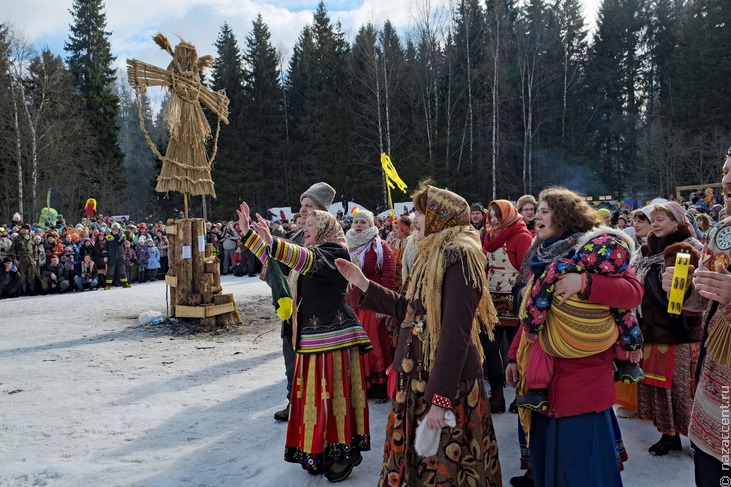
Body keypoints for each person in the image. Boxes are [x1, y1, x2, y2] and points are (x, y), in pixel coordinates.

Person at [335, 183, 503, 486]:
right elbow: (408, 308)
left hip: (446, 385)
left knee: (447, 466)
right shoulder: (431, 253)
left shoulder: (459, 257)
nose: (414, 218)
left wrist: (440, 398)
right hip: (416, 376)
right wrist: (363, 283)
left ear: (439, 216)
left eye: (421, 212)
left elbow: (456, 333)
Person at [505, 186, 644, 487]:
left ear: (564, 216)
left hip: (581, 386)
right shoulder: (538, 253)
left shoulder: (595, 250)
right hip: (541, 378)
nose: (536, 217)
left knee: (583, 470)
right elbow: (530, 310)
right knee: (549, 468)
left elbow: (633, 293)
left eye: (544, 211)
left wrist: (585, 282)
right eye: (536, 211)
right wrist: (513, 356)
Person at [238, 202, 372, 481]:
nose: (304, 228)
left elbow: (304, 259)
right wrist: (249, 234)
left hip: (334, 340)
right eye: (304, 224)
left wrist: (273, 240)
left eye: (310, 225)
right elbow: (282, 258)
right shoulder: (312, 251)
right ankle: (320, 450)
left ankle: (344, 453)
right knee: (314, 401)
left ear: (324, 228)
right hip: (312, 340)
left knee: (335, 399)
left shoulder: (336, 251)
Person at [633, 201, 704, 456]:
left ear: (677, 221)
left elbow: (687, 297)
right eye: (653, 219)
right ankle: (668, 435)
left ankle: (698, 439)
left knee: (683, 389)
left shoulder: (691, 249)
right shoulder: (644, 251)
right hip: (651, 329)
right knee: (658, 386)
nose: (655, 224)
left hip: (680, 333)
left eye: (661, 219)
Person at [270, 182, 337, 422]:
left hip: (317, 316)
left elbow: (305, 260)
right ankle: (294, 403)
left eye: (309, 206)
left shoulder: (331, 241)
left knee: (316, 372)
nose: (303, 211)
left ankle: (315, 413)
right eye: (302, 206)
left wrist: (271, 244)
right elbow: (282, 263)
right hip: (293, 310)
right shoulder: (299, 234)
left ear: (322, 210)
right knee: (291, 362)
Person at [482, 200, 533, 413]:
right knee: (490, 349)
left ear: (508, 215)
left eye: (498, 215)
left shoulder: (521, 237)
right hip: (491, 302)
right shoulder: (489, 238)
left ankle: (520, 394)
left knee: (518, 351)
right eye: (491, 215)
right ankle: (498, 394)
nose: (493, 219)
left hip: (515, 303)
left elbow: (528, 271)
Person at [345, 209, 396, 401]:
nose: (358, 225)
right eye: (356, 222)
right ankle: (363, 384)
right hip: (352, 304)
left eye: (363, 222)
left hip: (372, 304)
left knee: (374, 345)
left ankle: (380, 384)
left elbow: (389, 279)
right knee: (357, 346)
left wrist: (385, 305)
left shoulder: (381, 247)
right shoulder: (347, 245)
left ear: (371, 225)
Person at [9, 224, 36, 295]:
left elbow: (35, 250)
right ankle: (22, 292)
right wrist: (15, 260)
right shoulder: (17, 239)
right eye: (22, 229)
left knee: (31, 277)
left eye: (25, 229)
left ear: (28, 230)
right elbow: (12, 251)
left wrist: (35, 259)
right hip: (21, 261)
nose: (23, 230)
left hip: (31, 261)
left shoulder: (32, 238)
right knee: (21, 278)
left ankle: (31, 291)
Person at [104, 222, 131, 289]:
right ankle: (108, 285)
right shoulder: (107, 237)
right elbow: (105, 248)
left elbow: (121, 242)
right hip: (111, 257)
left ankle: (125, 283)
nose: (115, 230)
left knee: (122, 270)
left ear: (119, 230)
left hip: (120, 256)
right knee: (110, 271)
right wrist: (105, 256)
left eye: (116, 229)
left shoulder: (122, 236)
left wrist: (116, 235)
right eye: (114, 229)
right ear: (111, 229)